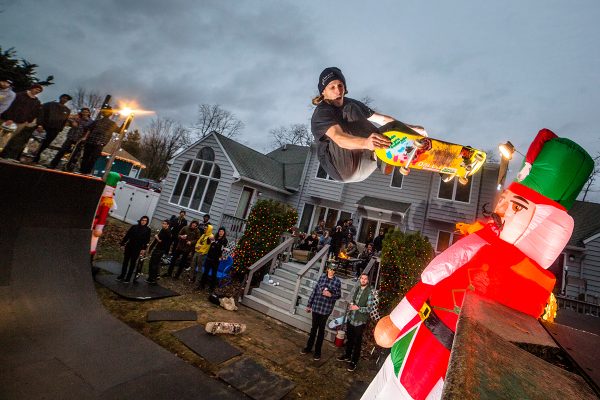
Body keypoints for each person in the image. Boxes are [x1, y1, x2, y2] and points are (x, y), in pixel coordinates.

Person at [311, 67, 426, 182]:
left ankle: (411, 153)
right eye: (332, 87)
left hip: (364, 165)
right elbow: (339, 137)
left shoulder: (351, 102)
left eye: (340, 85)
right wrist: (366, 143)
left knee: (393, 127)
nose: (338, 91)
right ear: (323, 92)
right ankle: (381, 153)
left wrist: (412, 129)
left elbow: (383, 120)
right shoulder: (322, 112)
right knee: (350, 109)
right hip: (341, 167)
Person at [301, 264, 341, 360]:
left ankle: (318, 352)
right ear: (327, 269)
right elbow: (314, 291)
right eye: (330, 269)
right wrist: (309, 305)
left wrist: (330, 295)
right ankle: (308, 348)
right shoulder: (322, 277)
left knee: (321, 330)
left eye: (333, 270)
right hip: (316, 306)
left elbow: (338, 295)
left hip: (326, 309)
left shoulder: (337, 282)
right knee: (313, 328)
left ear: (335, 271)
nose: (331, 271)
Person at [338, 273, 374, 372]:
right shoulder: (357, 289)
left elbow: (369, 308)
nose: (363, 280)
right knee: (349, 339)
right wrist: (351, 305)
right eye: (361, 278)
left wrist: (358, 308)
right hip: (351, 319)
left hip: (360, 321)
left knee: (357, 343)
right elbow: (353, 301)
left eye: (365, 279)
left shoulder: (369, 293)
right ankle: (347, 355)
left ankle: (354, 362)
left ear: (367, 281)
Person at [0, 84, 43, 159]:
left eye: (39, 91)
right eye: (36, 89)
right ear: (32, 88)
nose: (37, 91)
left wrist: (28, 121)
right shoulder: (19, 95)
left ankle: (3, 155)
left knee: (10, 139)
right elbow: (11, 106)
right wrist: (9, 118)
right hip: (10, 120)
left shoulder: (37, 101)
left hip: (21, 123)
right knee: (3, 137)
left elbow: (35, 112)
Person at [79, 108, 121, 174]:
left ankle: (85, 172)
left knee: (91, 158)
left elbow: (119, 131)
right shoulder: (97, 122)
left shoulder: (111, 124)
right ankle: (83, 172)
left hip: (98, 143)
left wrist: (126, 123)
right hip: (92, 141)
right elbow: (88, 129)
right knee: (88, 157)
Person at [33, 94, 72, 163]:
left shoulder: (67, 110)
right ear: (60, 98)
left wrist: (60, 128)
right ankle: (28, 155)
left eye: (66, 99)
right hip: (44, 127)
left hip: (55, 130)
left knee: (46, 144)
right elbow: (41, 114)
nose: (65, 99)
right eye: (64, 98)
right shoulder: (50, 104)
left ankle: (36, 157)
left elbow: (65, 121)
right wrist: (40, 124)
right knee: (36, 142)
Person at [117, 216, 151, 283]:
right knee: (125, 261)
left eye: (145, 221)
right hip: (129, 246)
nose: (143, 221)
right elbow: (127, 235)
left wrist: (144, 249)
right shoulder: (134, 227)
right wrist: (122, 243)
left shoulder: (148, 230)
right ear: (140, 220)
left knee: (132, 263)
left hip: (137, 248)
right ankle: (122, 275)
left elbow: (147, 240)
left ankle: (128, 278)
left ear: (147, 222)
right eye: (142, 220)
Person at [145, 219, 171, 284]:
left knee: (154, 263)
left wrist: (157, 237)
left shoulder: (167, 232)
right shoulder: (163, 230)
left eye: (165, 224)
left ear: (168, 225)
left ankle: (152, 279)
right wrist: (150, 248)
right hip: (158, 248)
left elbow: (161, 241)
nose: (163, 225)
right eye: (163, 223)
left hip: (160, 250)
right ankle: (153, 277)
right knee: (154, 263)